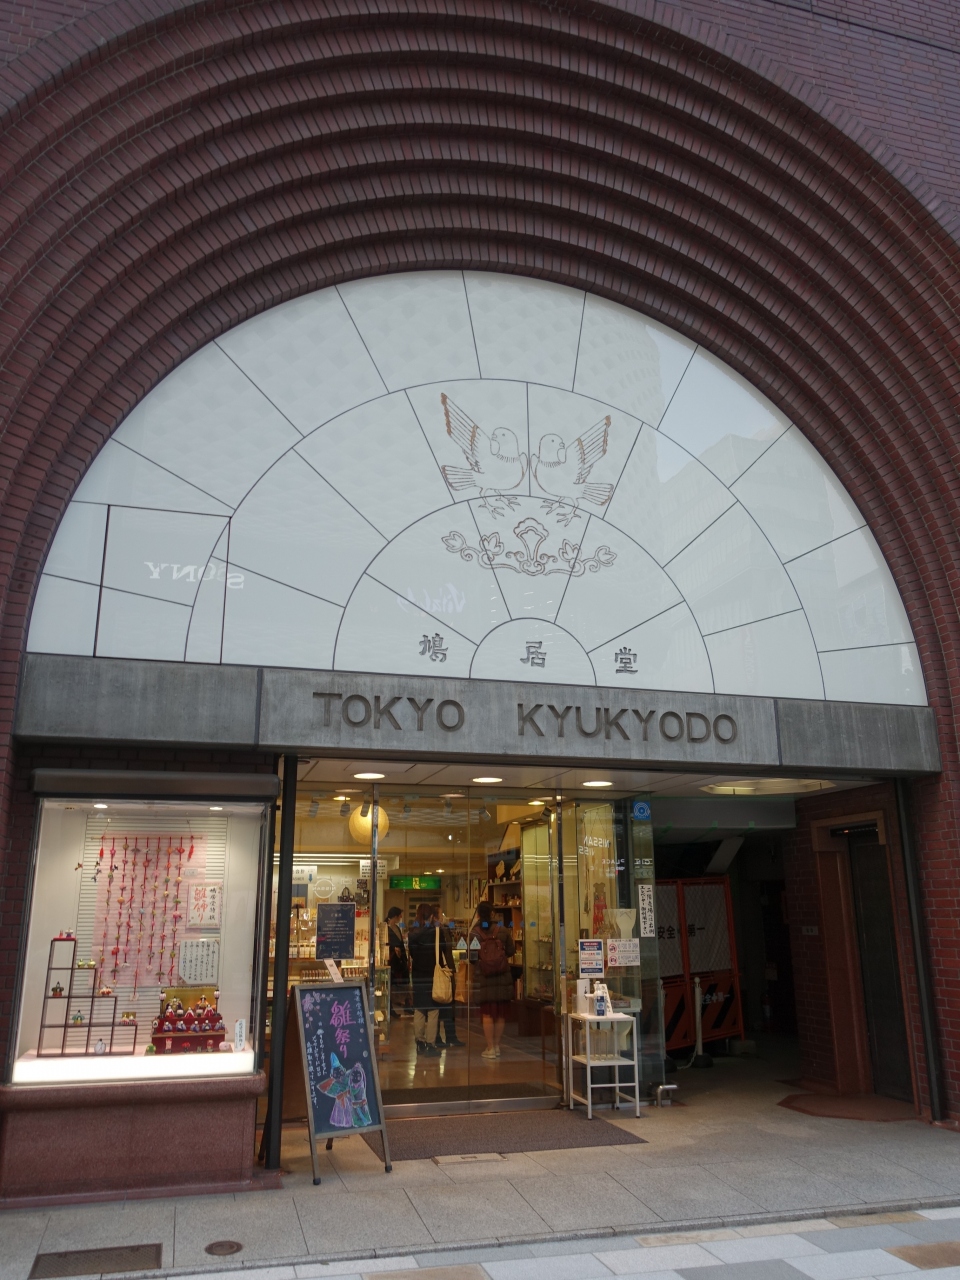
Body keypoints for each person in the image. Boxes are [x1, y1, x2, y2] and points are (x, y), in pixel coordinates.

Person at [406, 901, 454, 1056]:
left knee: (419, 1009)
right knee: (433, 1010)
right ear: (432, 916)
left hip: (418, 974)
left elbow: (412, 954)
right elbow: (443, 950)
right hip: (433, 974)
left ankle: (419, 1042)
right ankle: (431, 1044)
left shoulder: (412, 933)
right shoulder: (436, 932)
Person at [469, 900, 516, 1059]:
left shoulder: (475, 933)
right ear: (493, 914)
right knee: (500, 1013)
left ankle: (489, 1048)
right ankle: (496, 1046)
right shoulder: (502, 930)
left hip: (484, 977)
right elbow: (511, 951)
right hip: (502, 976)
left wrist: (483, 961)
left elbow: (472, 958)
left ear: (478, 915)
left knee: (487, 1013)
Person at [435, 912, 465, 1048]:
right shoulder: (436, 931)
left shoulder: (444, 930)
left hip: (446, 971)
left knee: (448, 1006)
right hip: (443, 972)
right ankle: (441, 1037)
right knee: (441, 1005)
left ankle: (449, 1036)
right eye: (440, 914)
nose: (443, 917)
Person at [385, 906, 409, 1017]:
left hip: (399, 961)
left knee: (401, 983)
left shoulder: (397, 928)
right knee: (390, 985)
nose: (400, 918)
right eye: (399, 916)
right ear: (395, 916)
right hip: (392, 961)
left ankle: (406, 1004)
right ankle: (390, 1008)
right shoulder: (386, 928)